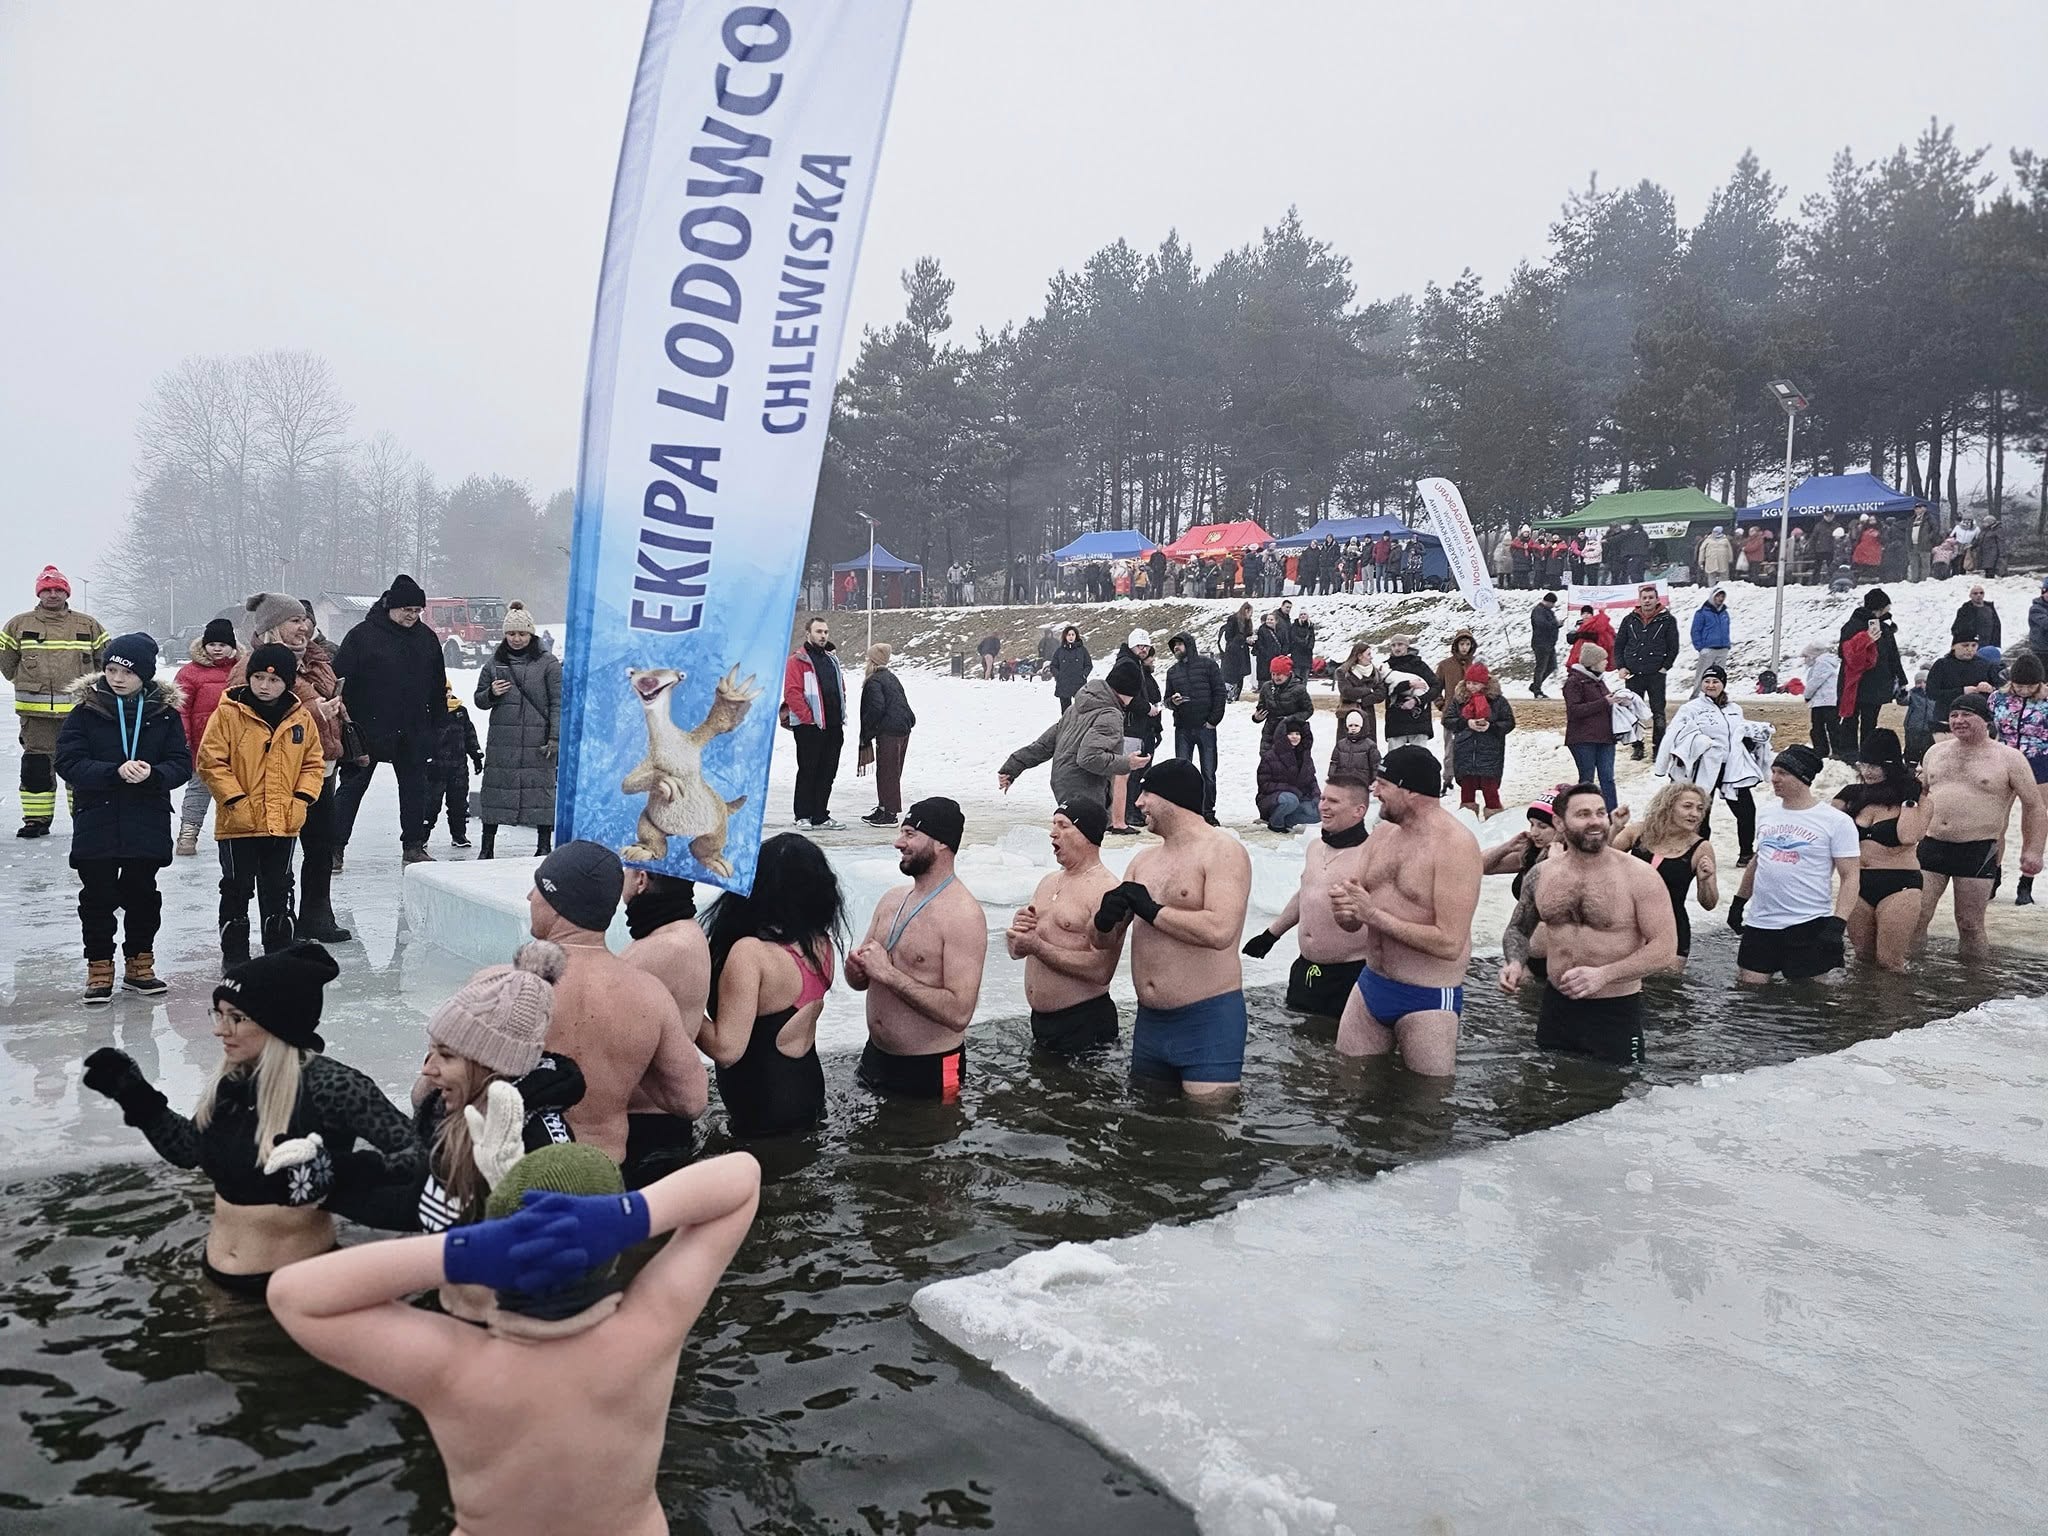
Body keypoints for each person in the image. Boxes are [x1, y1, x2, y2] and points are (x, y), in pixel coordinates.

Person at [268, 1147, 761, 1536]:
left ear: (496, 1255)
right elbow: (742, 1177)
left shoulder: (452, 1367)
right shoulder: (649, 1330)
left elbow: (294, 1295)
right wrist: (632, 1213)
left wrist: (462, 1252)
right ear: (610, 1250)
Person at [80, 942, 417, 1296]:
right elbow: (188, 1150)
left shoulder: (334, 1086)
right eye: (218, 1014)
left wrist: (337, 1171)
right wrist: (136, 1096)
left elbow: (422, 1157)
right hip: (218, 1283)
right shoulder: (233, 1082)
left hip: (300, 1286)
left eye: (237, 1018)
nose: (220, 1030)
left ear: (279, 1022)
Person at [326, 942, 583, 1240]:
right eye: (431, 1051)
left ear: (492, 1065)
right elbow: (424, 1203)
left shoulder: (540, 1141)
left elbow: (558, 1250)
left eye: (447, 1055)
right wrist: (326, 1178)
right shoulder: (450, 1112)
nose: (428, 1068)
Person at [527, 842, 708, 1168]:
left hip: (626, 1136)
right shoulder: (680, 946)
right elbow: (692, 1099)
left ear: (641, 879)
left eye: (537, 889)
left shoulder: (511, 988)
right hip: (617, 1156)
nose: (528, 896)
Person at [1090, 760, 1252, 1097]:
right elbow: (1103, 943)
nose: (1138, 802)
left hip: (1207, 1020)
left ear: (1171, 798)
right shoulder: (1143, 861)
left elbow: (1220, 930)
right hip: (1150, 1024)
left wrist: (1151, 910)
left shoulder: (1223, 851)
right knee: (1149, 1125)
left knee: (1208, 1133)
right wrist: (1103, 921)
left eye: (1146, 792)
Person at [1323, 748, 1481, 1074]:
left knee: (1425, 1108)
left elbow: (1450, 943)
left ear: (1410, 791)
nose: (1374, 790)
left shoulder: (1455, 846)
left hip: (1427, 997)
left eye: (1382, 784)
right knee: (1348, 1087)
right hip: (1372, 985)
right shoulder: (1382, 835)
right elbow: (1356, 917)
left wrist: (1373, 915)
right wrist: (1346, 911)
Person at [54, 633, 192, 1004]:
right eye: (111, 669)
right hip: (96, 820)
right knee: (97, 898)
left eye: (126, 673)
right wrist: (113, 771)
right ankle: (99, 967)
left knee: (142, 896)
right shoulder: (86, 711)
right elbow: (67, 762)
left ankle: (139, 964)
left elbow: (181, 764)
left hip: (145, 820)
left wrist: (154, 774)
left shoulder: (163, 715)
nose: (116, 678)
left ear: (144, 676)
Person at [1499, 783, 1678, 1062]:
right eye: (1583, 814)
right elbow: (1519, 929)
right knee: (1546, 1089)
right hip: (1556, 1008)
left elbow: (1665, 948)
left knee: (1617, 1095)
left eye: (1600, 812)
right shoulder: (1542, 874)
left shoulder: (1638, 876)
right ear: (1559, 822)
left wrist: (1603, 975)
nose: (1595, 821)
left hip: (1614, 1010)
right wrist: (1514, 962)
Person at [699, 833, 844, 1138]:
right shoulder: (821, 945)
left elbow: (727, 1050)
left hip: (762, 1109)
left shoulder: (751, 954)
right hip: (808, 1094)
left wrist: (676, 1004)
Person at [846, 798, 986, 1099]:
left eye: (910, 834)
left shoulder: (963, 915)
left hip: (931, 1069)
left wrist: (888, 975)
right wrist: (856, 970)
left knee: (929, 1142)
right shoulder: (892, 899)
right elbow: (861, 981)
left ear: (940, 844)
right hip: (875, 1059)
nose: (899, 843)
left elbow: (960, 1013)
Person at [198, 643, 326, 963]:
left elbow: (313, 763)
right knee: (237, 888)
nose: (264, 686)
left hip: (282, 822)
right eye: (258, 678)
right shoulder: (228, 713)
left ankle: (279, 949)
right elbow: (211, 761)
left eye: (273, 681)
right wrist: (235, 799)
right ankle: (236, 954)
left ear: (287, 683)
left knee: (278, 887)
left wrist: (301, 799)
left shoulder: (300, 719)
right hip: (237, 822)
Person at [1913, 696, 2046, 954]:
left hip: (1976, 850)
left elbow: (2035, 807)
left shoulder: (2009, 758)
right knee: (1916, 916)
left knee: (1970, 924)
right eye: (1954, 715)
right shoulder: (1935, 752)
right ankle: (1908, 976)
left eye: (1966, 715)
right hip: (1931, 844)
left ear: (1986, 720)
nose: (1958, 721)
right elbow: (1918, 795)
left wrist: (2033, 850)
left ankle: (1976, 988)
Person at [332, 575, 446, 866]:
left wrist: (438, 727)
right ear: (390, 606)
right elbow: (340, 683)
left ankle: (413, 845)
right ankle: (333, 848)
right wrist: (344, 724)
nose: (412, 615)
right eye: (407, 609)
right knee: (352, 788)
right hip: (366, 728)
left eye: (417, 610)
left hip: (413, 729)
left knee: (414, 790)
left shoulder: (427, 639)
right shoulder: (362, 636)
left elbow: (437, 686)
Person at [1242, 773, 1374, 1018]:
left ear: (1359, 810)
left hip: (1349, 974)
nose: (1323, 806)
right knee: (1299, 1040)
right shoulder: (1315, 849)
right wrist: (1271, 934)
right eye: (1323, 798)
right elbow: (1307, 894)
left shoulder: (1371, 856)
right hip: (1306, 969)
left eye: (1333, 801)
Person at [1725, 746, 1858, 983]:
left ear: (1803, 778)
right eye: (1773, 771)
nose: (1774, 779)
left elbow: (1850, 876)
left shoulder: (1835, 821)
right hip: (1761, 921)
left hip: (1808, 922)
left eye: (1782, 773)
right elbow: (1758, 861)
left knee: (1808, 998)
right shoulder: (1766, 813)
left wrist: (1838, 923)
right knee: (1749, 992)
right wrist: (1738, 902)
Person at [1008, 800, 1125, 1053]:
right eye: (1053, 824)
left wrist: (1037, 946)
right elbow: (1018, 951)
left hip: (1084, 1021)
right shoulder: (1048, 882)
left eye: (1063, 825)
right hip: (1040, 1023)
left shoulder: (1106, 890)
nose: (1052, 832)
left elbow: (1101, 970)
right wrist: (1019, 934)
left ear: (1087, 835)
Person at [2, 565, 107, 837]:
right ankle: (36, 820)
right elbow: (7, 664)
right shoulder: (18, 625)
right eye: (46, 589)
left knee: (80, 765)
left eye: (58, 589)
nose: (52, 594)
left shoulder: (88, 625)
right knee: (36, 768)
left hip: (80, 713)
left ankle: (85, 816)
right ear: (39, 592)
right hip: (36, 717)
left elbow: (105, 663)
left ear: (66, 592)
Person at [1823, 730, 1930, 972]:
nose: (1868, 771)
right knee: (1862, 958)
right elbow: (1826, 834)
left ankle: (1895, 1009)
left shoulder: (1917, 799)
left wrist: (1910, 799)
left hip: (1900, 884)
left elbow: (1907, 836)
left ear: (1891, 766)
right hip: (1858, 884)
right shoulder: (1850, 796)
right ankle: (1862, 1009)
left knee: (1889, 962)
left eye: (1876, 766)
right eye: (1864, 764)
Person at [998, 660, 1147, 814]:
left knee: (1070, 834)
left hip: (1063, 783)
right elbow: (1089, 758)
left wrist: (1013, 766)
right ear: (1129, 692)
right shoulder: (1110, 714)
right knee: (1083, 836)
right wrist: (1127, 763)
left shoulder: (1076, 708)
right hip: (1085, 788)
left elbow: (1044, 745)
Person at [1656, 666, 1769, 866]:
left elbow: (1738, 733)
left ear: (1723, 684)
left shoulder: (1734, 709)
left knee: (1746, 810)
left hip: (1730, 767)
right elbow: (1676, 735)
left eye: (1715, 681)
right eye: (1707, 681)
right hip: (1704, 767)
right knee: (1701, 813)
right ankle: (1697, 853)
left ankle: (1746, 853)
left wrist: (1752, 739)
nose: (1710, 685)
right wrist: (1693, 745)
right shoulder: (1691, 708)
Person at [473, 603, 560, 859]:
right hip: (504, 741)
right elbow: (479, 699)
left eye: (522, 634)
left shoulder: (548, 663)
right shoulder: (494, 663)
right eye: (512, 634)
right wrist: (491, 693)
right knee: (496, 792)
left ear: (531, 634)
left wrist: (554, 737)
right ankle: (487, 847)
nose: (517, 639)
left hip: (538, 740)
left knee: (541, 793)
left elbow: (558, 702)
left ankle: (544, 845)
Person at [1611, 783, 1719, 969]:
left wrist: (1706, 880)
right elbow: (1601, 864)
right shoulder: (1637, 832)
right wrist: (1615, 828)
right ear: (1668, 806)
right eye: (1687, 806)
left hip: (1672, 928)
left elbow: (1709, 904)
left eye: (1700, 809)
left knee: (1665, 991)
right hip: (1629, 924)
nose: (1695, 814)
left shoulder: (1701, 848)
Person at [175, 617, 241, 856]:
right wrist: (183, 737)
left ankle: (239, 833)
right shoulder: (190, 673)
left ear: (232, 646)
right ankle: (188, 834)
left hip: (237, 744)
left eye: (222, 644)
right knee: (198, 790)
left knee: (236, 789)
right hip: (202, 744)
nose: (216, 648)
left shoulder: (242, 669)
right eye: (211, 643)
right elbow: (180, 708)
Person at [1990, 654, 2048, 904]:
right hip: (2005, 759)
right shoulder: (1997, 698)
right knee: (1995, 820)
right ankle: (1993, 874)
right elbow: (1990, 728)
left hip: (2038, 762)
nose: (2024, 690)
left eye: (2030, 686)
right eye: (2019, 685)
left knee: (2035, 819)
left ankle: (2027, 881)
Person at [781, 615, 847, 830]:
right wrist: (808, 718)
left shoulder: (831, 659)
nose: (823, 636)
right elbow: (792, 692)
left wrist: (841, 712)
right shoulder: (797, 660)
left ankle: (820, 814)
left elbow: (840, 687)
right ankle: (803, 814)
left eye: (826, 632)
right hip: (809, 727)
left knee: (828, 771)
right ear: (808, 633)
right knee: (808, 770)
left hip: (833, 725)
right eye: (819, 632)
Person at [1165, 630, 1227, 823]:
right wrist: (1172, 701)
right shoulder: (1172, 672)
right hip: (1183, 728)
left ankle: (1208, 812)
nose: (1176, 647)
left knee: (1208, 772)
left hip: (1205, 727)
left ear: (1188, 645)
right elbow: (1166, 699)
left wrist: (1213, 721)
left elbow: (1220, 693)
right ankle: (1186, 812)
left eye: (1179, 644)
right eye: (1174, 645)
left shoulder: (1208, 665)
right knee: (1182, 772)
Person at [856, 642, 916, 829]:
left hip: (890, 731)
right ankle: (884, 807)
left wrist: (868, 732)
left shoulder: (875, 681)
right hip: (902, 728)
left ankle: (890, 813)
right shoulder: (890, 677)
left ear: (872, 661)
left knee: (887, 772)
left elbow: (875, 708)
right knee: (891, 771)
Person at [1615, 585, 1679, 759]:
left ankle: (1659, 748)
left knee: (1658, 712)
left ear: (1657, 599)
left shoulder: (1667, 620)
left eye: (1651, 597)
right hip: (1634, 674)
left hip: (1656, 674)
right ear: (1639, 600)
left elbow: (1673, 647)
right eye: (1644, 597)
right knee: (1633, 711)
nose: (1648, 600)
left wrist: (1665, 666)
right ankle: (1637, 746)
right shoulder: (1629, 620)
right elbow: (1619, 644)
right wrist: (1621, 666)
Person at [1110, 629, 1163, 833]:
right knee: (1125, 774)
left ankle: (1120, 817)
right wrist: (1147, 708)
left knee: (1127, 774)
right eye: (1140, 646)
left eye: (1146, 646)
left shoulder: (1132, 664)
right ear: (1132, 646)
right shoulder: (1128, 665)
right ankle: (1120, 819)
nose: (1143, 649)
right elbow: (1124, 698)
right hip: (1129, 727)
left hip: (1133, 726)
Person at [1447, 662, 1514, 818]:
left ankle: (1495, 817)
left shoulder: (1498, 701)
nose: (1471, 686)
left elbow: (1509, 722)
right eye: (1468, 682)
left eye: (1475, 683)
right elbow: (1448, 720)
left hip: (1489, 752)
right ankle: (1468, 818)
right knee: (1467, 789)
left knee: (1490, 789)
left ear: (1484, 684)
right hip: (1465, 751)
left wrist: (1491, 726)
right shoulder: (1460, 700)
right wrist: (1466, 723)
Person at [424, 685, 485, 849]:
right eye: (443, 690)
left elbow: (469, 734)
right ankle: (421, 836)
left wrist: (476, 755)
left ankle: (459, 835)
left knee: (459, 804)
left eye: (448, 690)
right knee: (430, 804)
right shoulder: (429, 710)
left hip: (458, 768)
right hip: (435, 768)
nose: (447, 693)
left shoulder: (461, 711)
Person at [1563, 642, 1619, 809]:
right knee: (1587, 778)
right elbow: (1574, 710)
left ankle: (1612, 814)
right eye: (1603, 660)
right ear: (1593, 662)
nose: (1606, 663)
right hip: (1583, 739)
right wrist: (1604, 702)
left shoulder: (1599, 681)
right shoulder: (1574, 682)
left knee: (1608, 778)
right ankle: (1583, 811)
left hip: (1605, 738)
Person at [1925, 622, 2000, 735]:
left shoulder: (1986, 665)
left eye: (1973, 645)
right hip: (1947, 720)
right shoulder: (1942, 665)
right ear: (1954, 646)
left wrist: (1991, 689)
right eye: (1965, 645)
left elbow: (2000, 691)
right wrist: (1962, 691)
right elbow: (1931, 692)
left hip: (1978, 720)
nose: (1970, 649)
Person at [1257, 716, 1320, 833]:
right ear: (1283, 736)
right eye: (1290, 733)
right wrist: (1290, 789)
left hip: (1299, 798)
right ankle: (1275, 822)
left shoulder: (1305, 756)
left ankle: (1287, 821)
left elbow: (1312, 780)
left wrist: (1317, 797)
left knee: (1320, 811)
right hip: (1273, 799)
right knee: (1290, 800)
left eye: (1298, 733)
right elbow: (1264, 784)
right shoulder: (1270, 756)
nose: (1295, 736)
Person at [1251, 654, 1313, 754]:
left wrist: (1290, 719)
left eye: (1279, 674)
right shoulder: (1267, 687)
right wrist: (1257, 717)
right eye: (1273, 674)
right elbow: (1262, 706)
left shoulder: (1298, 689)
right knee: (1268, 762)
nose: (1275, 677)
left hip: (1291, 732)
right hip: (1270, 731)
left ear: (1287, 673)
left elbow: (1308, 710)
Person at [1433, 628, 1479, 761]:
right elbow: (1436, 687)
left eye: (1467, 644)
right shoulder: (1445, 665)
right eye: (1462, 644)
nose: (1464, 647)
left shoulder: (1476, 664)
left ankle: (1469, 779)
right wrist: (1442, 705)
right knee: (1450, 750)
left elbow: (1486, 686)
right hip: (1451, 715)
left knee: (1471, 750)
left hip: (1474, 713)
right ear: (1456, 645)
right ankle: (1448, 779)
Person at [1334, 641, 1386, 734]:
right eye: (1368, 654)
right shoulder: (1344, 672)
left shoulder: (1375, 672)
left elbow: (1381, 694)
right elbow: (1347, 692)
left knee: (1368, 744)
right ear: (1359, 656)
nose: (1371, 657)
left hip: (1368, 714)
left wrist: (1362, 701)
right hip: (1349, 713)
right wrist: (1369, 690)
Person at [1801, 642, 1842, 761]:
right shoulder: (1827, 663)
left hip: (1823, 701)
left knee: (1818, 727)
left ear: (1812, 655)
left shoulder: (1821, 663)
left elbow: (1815, 682)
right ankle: (1835, 750)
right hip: (1830, 701)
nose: (1805, 660)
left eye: (1806, 656)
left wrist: (1807, 695)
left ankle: (1822, 751)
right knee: (1833, 727)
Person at [1689, 587, 1731, 689]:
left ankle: (1717, 696)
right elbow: (1695, 631)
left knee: (1719, 675)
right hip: (1708, 649)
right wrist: (1700, 648)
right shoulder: (1702, 613)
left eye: (1722, 596)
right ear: (1712, 597)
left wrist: (1727, 645)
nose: (1720, 598)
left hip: (1722, 648)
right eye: (1718, 596)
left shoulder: (1724, 613)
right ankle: (1696, 696)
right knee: (1703, 674)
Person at [1328, 706, 1380, 785]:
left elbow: (1376, 765)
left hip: (1362, 782)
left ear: (1362, 726)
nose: (1353, 728)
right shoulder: (1341, 744)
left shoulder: (1370, 745)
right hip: (1343, 782)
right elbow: (1334, 762)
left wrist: (1375, 779)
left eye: (1356, 725)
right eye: (1350, 725)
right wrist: (1331, 777)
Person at [1050, 624, 1092, 713]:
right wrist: (1058, 675)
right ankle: (1066, 726)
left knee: (1081, 709)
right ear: (1065, 636)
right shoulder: (1060, 651)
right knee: (1065, 711)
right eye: (1069, 635)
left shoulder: (1082, 650)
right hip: (1064, 684)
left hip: (1079, 683)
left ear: (1076, 636)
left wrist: (1084, 675)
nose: (1071, 637)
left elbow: (1088, 665)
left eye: (1073, 635)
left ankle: (1080, 726)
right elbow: (1053, 666)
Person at [1217, 605, 1254, 701]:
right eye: (1250, 613)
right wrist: (1244, 639)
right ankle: (1230, 696)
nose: (1251, 615)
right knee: (1231, 676)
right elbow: (1229, 637)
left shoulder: (1247, 622)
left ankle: (1236, 695)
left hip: (1242, 653)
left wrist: (1250, 640)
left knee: (1240, 676)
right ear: (1246, 611)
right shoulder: (1233, 620)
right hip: (1232, 653)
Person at [1529, 593, 1561, 698]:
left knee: (1551, 666)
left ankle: (1535, 685)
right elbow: (1541, 624)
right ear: (1548, 602)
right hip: (1541, 643)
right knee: (1541, 667)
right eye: (1552, 603)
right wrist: (1555, 624)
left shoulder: (1547, 611)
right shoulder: (1538, 611)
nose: (1553, 606)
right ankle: (1537, 690)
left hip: (1549, 643)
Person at [1253, 609, 1288, 685]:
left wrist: (1282, 654)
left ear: (1276, 621)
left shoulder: (1281, 631)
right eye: (1268, 619)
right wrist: (1267, 654)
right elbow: (1260, 644)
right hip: (1264, 660)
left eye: (1271, 619)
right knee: (1265, 681)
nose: (1269, 621)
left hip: (1277, 659)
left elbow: (1285, 643)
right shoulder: (1262, 630)